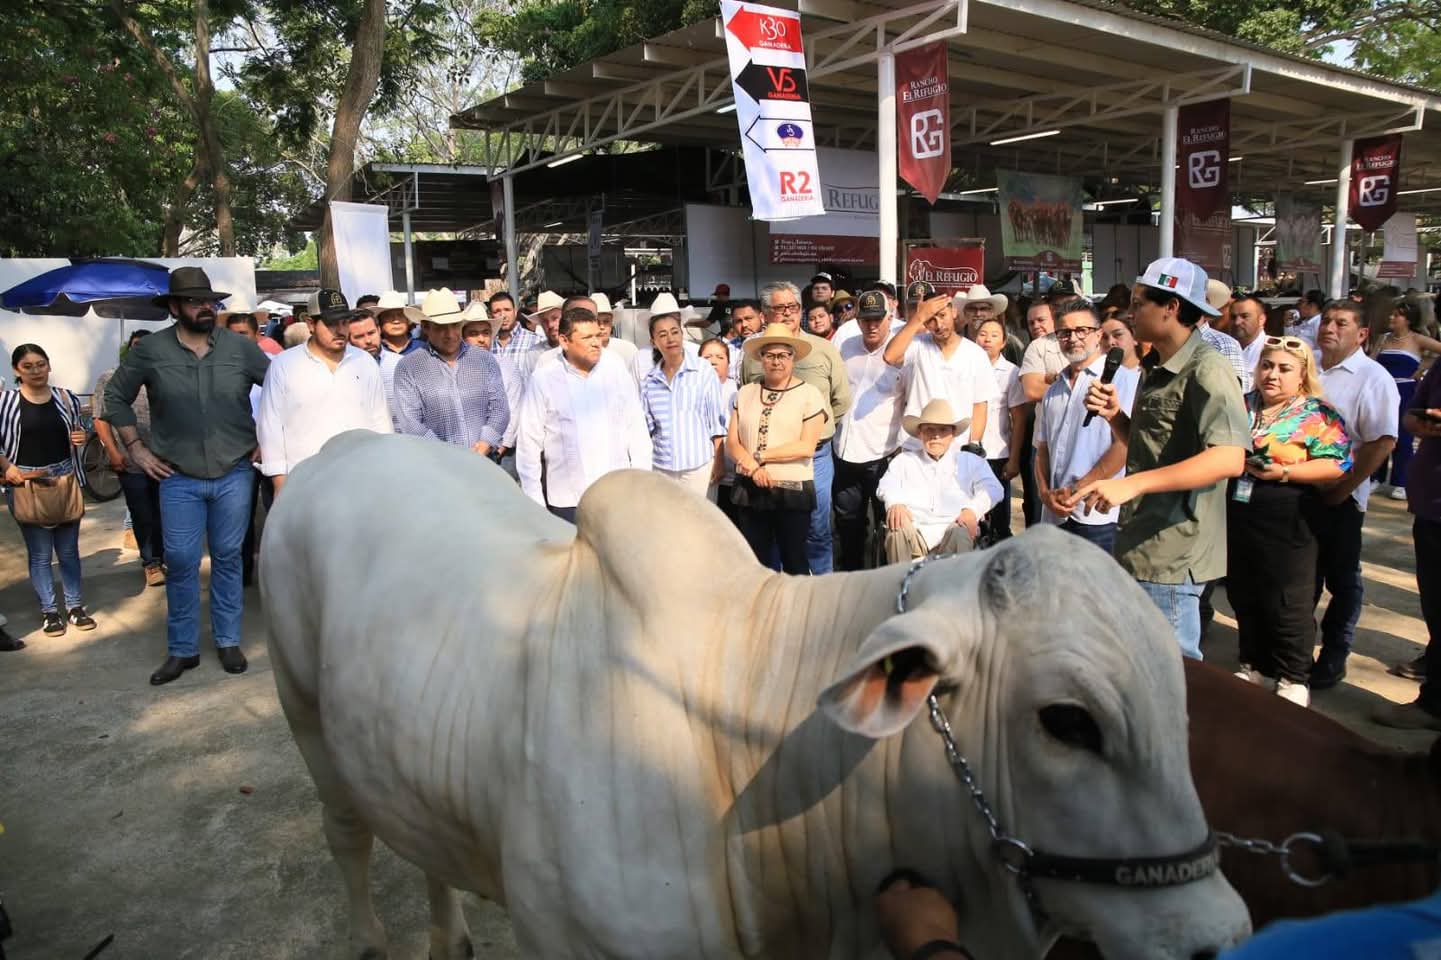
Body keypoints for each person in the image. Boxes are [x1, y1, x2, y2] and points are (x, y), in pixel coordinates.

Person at [1075, 257, 1250, 660]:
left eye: (1140, 303)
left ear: (1171, 308)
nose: (1131, 313)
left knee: (1172, 673)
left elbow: (1229, 457)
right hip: (1142, 538)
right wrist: (1116, 418)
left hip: (1173, 549)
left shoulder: (1208, 369)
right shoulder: (1156, 368)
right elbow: (1153, 447)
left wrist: (1130, 484)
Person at [103, 267, 271, 684]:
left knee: (230, 557)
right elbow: (115, 397)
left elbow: (280, 388)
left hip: (234, 470)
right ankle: (183, 650)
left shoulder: (239, 347)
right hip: (176, 475)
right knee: (179, 562)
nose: (205, 308)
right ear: (175, 307)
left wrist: (269, 437)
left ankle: (228, 641)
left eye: (210, 302)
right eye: (195, 302)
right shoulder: (150, 350)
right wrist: (137, 450)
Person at [1229, 336, 1352, 708]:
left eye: (1284, 369)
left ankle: (1292, 676)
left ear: (1302, 375)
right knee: (1243, 590)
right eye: (1267, 366)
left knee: (1288, 599)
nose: (1273, 375)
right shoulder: (1241, 404)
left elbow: (1337, 464)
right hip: (1238, 509)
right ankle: (1253, 662)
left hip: (1291, 513)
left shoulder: (1317, 413)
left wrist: (1284, 472)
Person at [1309, 299, 1400, 689]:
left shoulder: (1372, 377)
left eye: (1341, 323)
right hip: (1298, 490)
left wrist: (1342, 490)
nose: (1329, 328)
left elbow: (1381, 442)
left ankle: (1334, 655)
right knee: (1301, 580)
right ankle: (1294, 652)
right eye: (1326, 321)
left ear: (1362, 334)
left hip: (1341, 498)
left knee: (1342, 581)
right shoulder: (1306, 364)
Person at [740, 281, 850, 574]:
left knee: (817, 530)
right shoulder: (753, 357)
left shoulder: (824, 350)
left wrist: (812, 432)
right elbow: (747, 399)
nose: (787, 313)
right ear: (765, 313)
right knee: (772, 535)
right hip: (763, 463)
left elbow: (840, 401)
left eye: (793, 307)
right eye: (779, 308)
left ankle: (820, 595)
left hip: (814, 455)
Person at [517, 308, 652, 521]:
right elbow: (529, 444)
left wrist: (640, 485)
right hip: (567, 501)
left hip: (616, 495)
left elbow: (637, 432)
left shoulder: (615, 371)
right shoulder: (544, 379)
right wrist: (535, 503)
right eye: (587, 337)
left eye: (598, 335)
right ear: (564, 340)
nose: (596, 342)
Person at [256, 289, 392, 496]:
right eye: (331, 324)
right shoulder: (284, 365)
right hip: (305, 482)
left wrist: (384, 469)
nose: (339, 330)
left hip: (361, 478)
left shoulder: (364, 362)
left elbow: (380, 418)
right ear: (311, 324)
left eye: (344, 322)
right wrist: (279, 484)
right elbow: (271, 427)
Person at [1034, 300, 1141, 555]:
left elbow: (1124, 446)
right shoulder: (1054, 389)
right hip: (1056, 515)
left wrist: (1078, 489)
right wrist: (1044, 492)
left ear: (1098, 335)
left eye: (1082, 330)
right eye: (1064, 332)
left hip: (1098, 516)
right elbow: (1043, 449)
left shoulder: (1124, 380)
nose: (1073, 338)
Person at [1, 343, 94, 637]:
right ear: (17, 370)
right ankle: (50, 611)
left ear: (49, 365)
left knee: (69, 551)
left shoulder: (66, 399)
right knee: (40, 553)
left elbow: (78, 430)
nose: (36, 370)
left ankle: (75, 606)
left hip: (65, 480)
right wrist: (6, 467)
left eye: (41, 364)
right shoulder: (6, 403)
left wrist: (81, 436)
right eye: (28, 366)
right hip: (26, 484)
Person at [728, 323, 828, 574]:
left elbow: (806, 446)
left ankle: (800, 612)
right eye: (770, 355)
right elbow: (733, 441)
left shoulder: (809, 394)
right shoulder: (746, 392)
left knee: (794, 559)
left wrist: (761, 457)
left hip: (791, 489)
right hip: (750, 486)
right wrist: (752, 467)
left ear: (793, 358)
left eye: (784, 355)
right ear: (761, 358)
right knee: (755, 561)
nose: (777, 361)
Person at [1374, 361, 1441, 726]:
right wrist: (1422, 421)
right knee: (1435, 606)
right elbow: (1412, 417)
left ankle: (1434, 706)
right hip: (1431, 508)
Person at [834, 290, 909, 570]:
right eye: (866, 319)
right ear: (858, 320)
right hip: (843, 451)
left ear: (890, 318)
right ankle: (852, 573)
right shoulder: (845, 344)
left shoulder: (902, 352)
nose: (872, 325)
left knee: (886, 522)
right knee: (847, 521)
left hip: (883, 453)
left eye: (878, 318)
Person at [876, 399, 1003, 563]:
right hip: (915, 533)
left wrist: (972, 510)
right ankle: (901, 586)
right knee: (896, 527)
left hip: (954, 531)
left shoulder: (970, 461)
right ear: (920, 433)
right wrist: (895, 503)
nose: (936, 436)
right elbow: (886, 485)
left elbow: (994, 489)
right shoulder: (904, 461)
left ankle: (956, 589)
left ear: (952, 435)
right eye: (929, 429)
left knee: (961, 532)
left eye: (942, 430)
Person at [393, 287, 510, 453]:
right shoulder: (409, 367)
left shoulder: (484, 360)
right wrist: (445, 454)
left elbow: (500, 409)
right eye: (441, 327)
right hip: (436, 466)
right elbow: (410, 421)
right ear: (426, 327)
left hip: (484, 461)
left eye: (454, 325)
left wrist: (485, 442)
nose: (450, 334)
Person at [883, 282, 994, 455]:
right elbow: (890, 357)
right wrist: (918, 317)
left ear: (954, 312)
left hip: (958, 448)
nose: (939, 324)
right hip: (916, 445)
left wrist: (974, 443)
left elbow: (979, 404)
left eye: (942, 315)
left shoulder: (975, 354)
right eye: (931, 320)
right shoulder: (917, 346)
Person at [93, 333, 165, 589]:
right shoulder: (111, 378)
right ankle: (151, 563)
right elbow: (100, 418)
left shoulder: (164, 376)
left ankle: (163, 556)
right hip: (130, 460)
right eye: (137, 347)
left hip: (164, 459)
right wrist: (113, 451)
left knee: (164, 512)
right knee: (141, 512)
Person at [641, 312, 726, 499]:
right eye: (662, 335)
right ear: (653, 341)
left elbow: (716, 421)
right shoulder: (650, 381)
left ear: (682, 334)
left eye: (674, 332)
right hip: (662, 468)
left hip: (699, 467)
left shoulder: (703, 370)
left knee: (700, 524)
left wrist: (719, 462)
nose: (670, 339)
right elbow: (648, 429)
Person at [1375, 298, 1441, 500]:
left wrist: (1424, 367)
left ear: (1408, 319)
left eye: (1397, 315)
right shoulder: (1382, 339)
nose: (1391, 317)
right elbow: (1371, 359)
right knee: (1380, 433)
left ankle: (1400, 482)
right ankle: (1376, 477)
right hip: (1383, 391)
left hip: (1405, 390)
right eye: (1391, 314)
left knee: (1403, 437)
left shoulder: (1417, 339)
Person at [1015, 300, 1066, 526]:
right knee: (1040, 510)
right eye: (1031, 322)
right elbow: (1032, 389)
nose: (1035, 326)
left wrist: (1053, 380)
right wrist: (1071, 386)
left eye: (1041, 320)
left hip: (1081, 440)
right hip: (1045, 442)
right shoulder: (1037, 347)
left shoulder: (1087, 343)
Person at [972, 317, 1022, 541]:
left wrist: (1014, 459)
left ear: (1003, 342)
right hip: (969, 451)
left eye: (994, 335)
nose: (987, 340)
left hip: (997, 452)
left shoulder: (1012, 373)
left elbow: (1018, 419)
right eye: (983, 334)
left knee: (999, 514)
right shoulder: (967, 367)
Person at [698, 337, 740, 518]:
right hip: (703, 476)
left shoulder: (738, 392)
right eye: (707, 357)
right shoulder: (691, 390)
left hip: (734, 477)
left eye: (719, 357)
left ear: (729, 363)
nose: (713, 361)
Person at [346, 304, 402, 424]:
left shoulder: (400, 364)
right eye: (359, 336)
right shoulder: (344, 370)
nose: (368, 341)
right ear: (348, 339)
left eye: (371, 333)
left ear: (379, 330)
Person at [1229, 294, 1268, 393]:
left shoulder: (1274, 349)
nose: (1237, 322)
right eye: (1233, 317)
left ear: (1261, 319)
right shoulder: (1222, 348)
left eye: (1245, 316)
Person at [592, 293, 638, 365]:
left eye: (606, 321)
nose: (602, 326)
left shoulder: (628, 349)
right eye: (596, 322)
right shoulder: (578, 352)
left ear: (611, 323)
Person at [489, 290, 537, 357]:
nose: (503, 315)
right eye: (497, 311)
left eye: (507, 310)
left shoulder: (535, 341)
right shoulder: (486, 343)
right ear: (491, 316)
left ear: (515, 312)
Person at [726, 299, 763, 382]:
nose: (744, 325)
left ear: (762, 318)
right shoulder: (726, 350)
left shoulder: (774, 343)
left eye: (748, 318)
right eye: (738, 321)